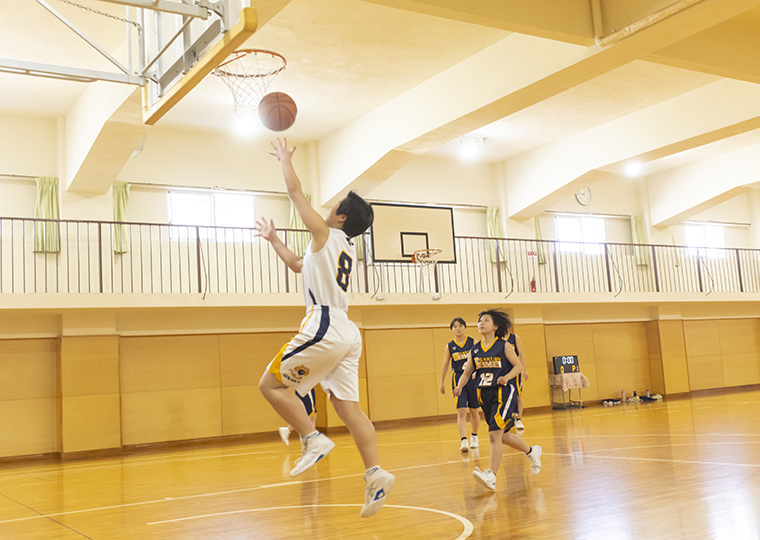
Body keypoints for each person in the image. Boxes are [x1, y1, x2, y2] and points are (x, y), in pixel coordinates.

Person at [257, 138, 394, 518]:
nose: (328, 208)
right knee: (347, 406)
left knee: (269, 385)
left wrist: (285, 160)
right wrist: (274, 240)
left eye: (334, 206)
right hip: (348, 330)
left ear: (341, 217)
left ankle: (311, 437)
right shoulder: (342, 246)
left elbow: (295, 191)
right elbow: (299, 266)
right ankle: (375, 473)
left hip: (325, 323)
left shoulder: (326, 233)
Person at [454, 308, 542, 491]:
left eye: (485, 320)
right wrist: (459, 386)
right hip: (484, 395)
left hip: (503, 393)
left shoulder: (504, 346)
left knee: (494, 435)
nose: (481, 323)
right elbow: (467, 372)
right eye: (479, 320)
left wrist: (507, 377)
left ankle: (491, 476)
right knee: (504, 437)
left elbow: (518, 366)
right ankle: (532, 451)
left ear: (495, 326)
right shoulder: (475, 349)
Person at [440, 317, 480, 452]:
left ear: (465, 327)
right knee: (461, 411)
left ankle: (474, 436)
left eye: (460, 325)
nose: (458, 328)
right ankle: (463, 440)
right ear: (451, 329)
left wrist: (478, 372)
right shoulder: (450, 346)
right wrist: (442, 382)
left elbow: (480, 359)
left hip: (473, 379)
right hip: (458, 379)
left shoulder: (473, 342)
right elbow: (445, 364)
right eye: (455, 326)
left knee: (474, 411)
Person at [508, 331, 527, 431]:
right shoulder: (496, 338)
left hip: (515, 371)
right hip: (503, 372)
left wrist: (524, 370)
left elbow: (521, 355)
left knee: (518, 395)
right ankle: (507, 419)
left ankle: (518, 419)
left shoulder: (515, 338)